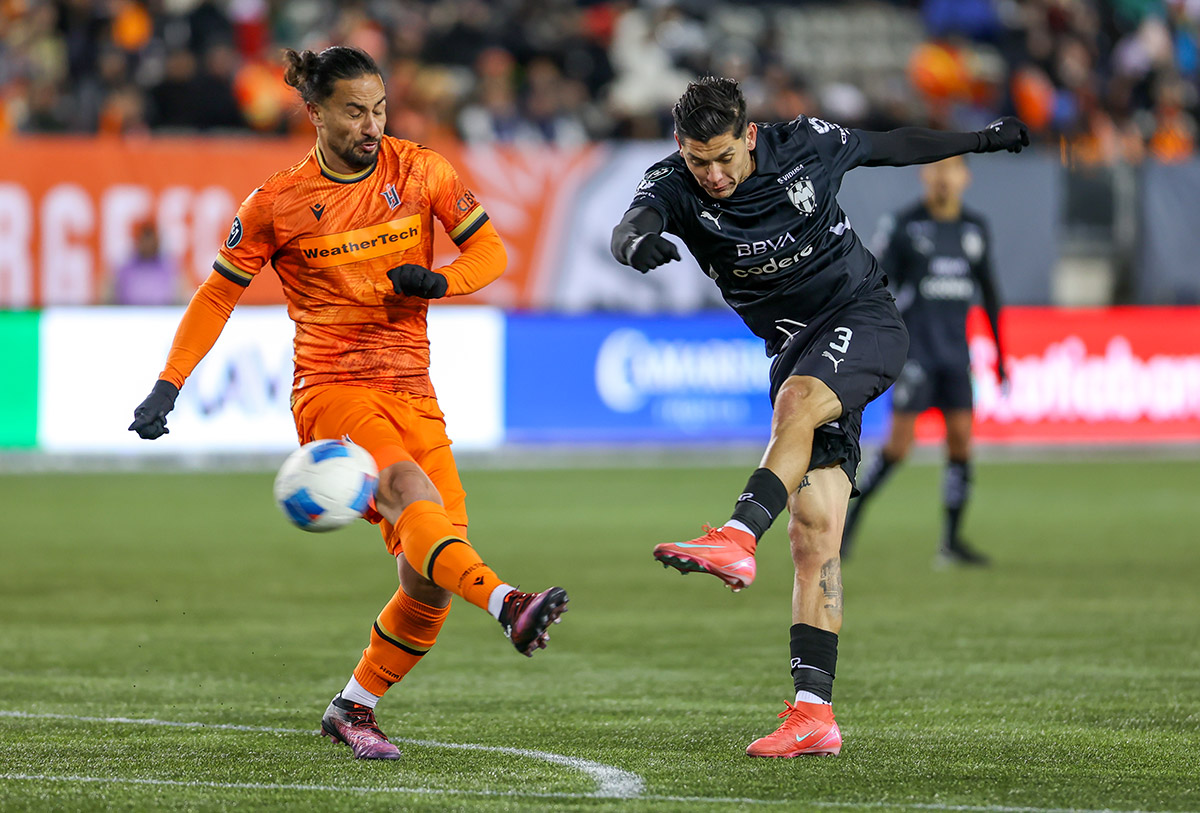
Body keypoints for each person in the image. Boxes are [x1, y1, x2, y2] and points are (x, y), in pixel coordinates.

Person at [128, 46, 568, 761]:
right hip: (331, 389)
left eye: (380, 108)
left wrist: (438, 281)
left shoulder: (422, 169)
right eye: (355, 110)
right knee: (407, 491)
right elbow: (216, 294)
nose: (372, 124)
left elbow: (490, 253)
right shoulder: (278, 202)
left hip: (413, 391)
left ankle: (353, 706)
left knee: (427, 582)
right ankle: (508, 602)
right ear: (316, 112)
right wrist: (168, 382)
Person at [610, 76, 1027, 758]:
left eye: (723, 157)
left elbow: (892, 145)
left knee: (796, 404)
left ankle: (739, 535)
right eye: (697, 161)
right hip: (795, 344)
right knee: (814, 531)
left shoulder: (805, 145)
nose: (712, 175)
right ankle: (814, 713)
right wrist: (635, 245)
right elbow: (632, 223)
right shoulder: (671, 182)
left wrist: (982, 137)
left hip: (863, 317)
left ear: (748, 136)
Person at [841, 156, 1006, 566]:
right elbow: (876, 285)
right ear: (924, 175)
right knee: (898, 448)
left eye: (952, 169)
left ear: (965, 177)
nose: (944, 177)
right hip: (915, 353)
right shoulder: (904, 226)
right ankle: (845, 526)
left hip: (956, 354)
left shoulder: (974, 229)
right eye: (937, 169)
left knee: (961, 442)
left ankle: (950, 542)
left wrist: (1003, 356)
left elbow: (990, 293)